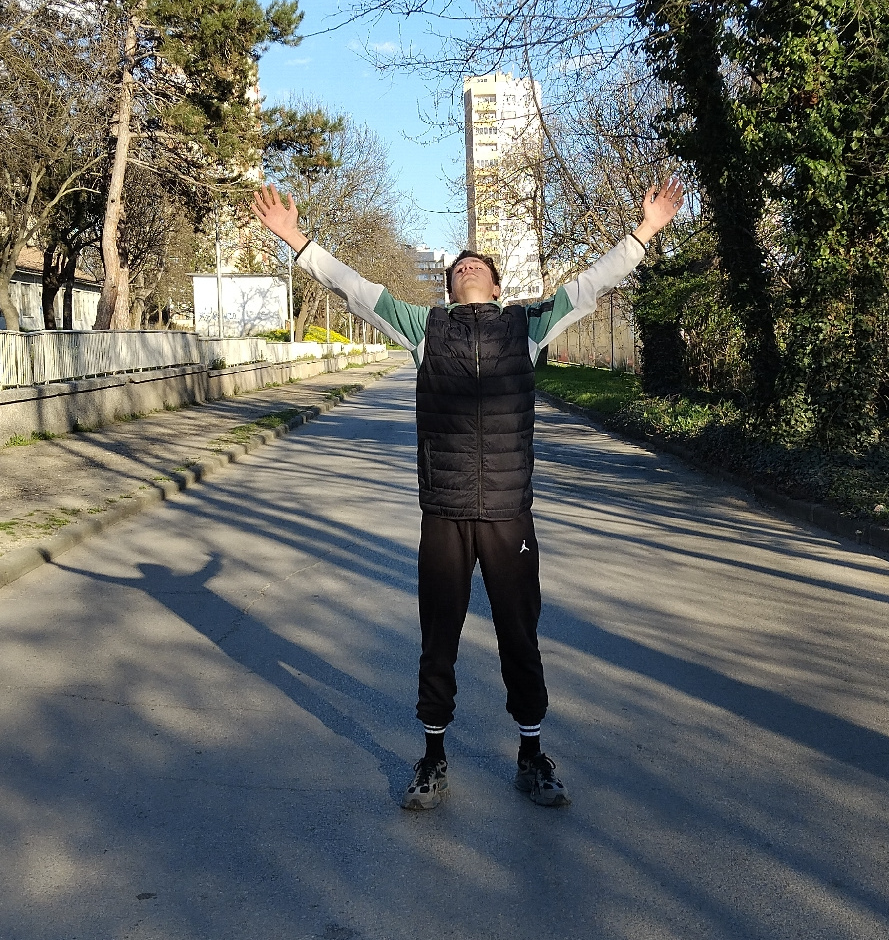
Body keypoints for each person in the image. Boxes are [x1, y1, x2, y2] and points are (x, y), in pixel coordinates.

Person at [251, 177, 686, 810]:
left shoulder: (527, 326)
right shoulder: (424, 327)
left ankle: (532, 756)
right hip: (445, 513)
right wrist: (297, 240)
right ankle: (432, 757)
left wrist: (645, 231)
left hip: (509, 514)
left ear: (498, 286)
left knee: (520, 636)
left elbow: (593, 283)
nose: (468, 265)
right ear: (449, 286)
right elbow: (354, 288)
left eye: (478, 263)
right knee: (439, 637)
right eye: (459, 265)